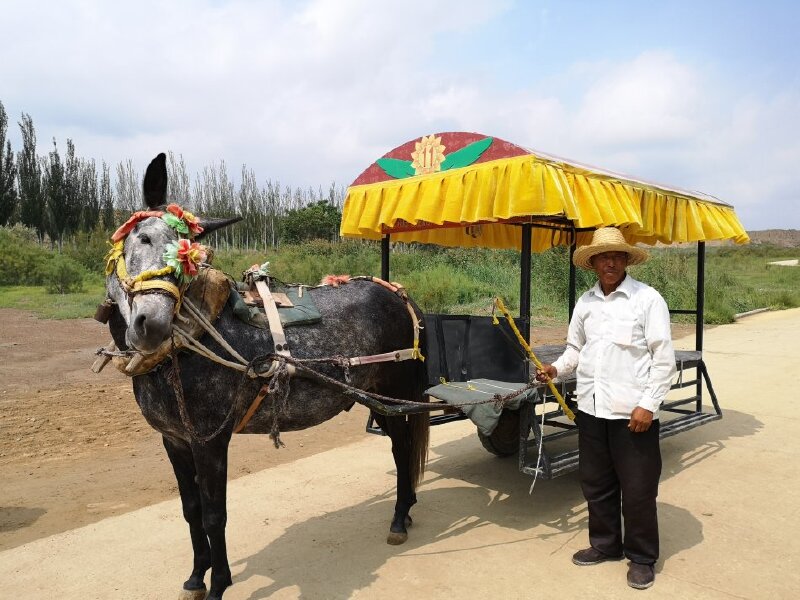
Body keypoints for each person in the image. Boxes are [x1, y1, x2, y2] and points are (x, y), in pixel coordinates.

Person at [536, 227, 676, 590]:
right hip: (591, 410)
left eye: (616, 256)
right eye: (603, 257)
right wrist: (556, 369)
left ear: (626, 260)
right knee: (596, 483)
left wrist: (648, 404)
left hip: (633, 415)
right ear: (594, 262)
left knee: (638, 489)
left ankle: (642, 557)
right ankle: (605, 544)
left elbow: (663, 359)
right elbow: (574, 350)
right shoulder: (586, 303)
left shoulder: (647, 300)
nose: (610, 263)